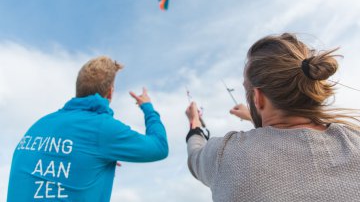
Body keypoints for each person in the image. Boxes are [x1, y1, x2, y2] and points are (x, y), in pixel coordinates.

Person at [185, 33, 360, 202]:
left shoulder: (224, 154)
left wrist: (195, 123)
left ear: (257, 97)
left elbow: (194, 157)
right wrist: (253, 116)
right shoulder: (354, 141)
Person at [7, 56, 168, 201]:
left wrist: (93, 155)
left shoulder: (39, 125)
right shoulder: (102, 128)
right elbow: (160, 147)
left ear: (78, 89)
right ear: (110, 93)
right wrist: (147, 107)